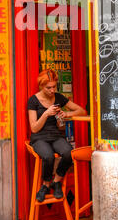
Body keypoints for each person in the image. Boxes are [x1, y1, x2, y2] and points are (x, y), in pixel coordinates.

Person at [27, 68, 87, 202]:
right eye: (49, 87)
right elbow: (34, 128)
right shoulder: (33, 101)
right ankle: (45, 185)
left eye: (54, 86)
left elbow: (81, 111)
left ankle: (57, 181)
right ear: (42, 86)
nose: (52, 90)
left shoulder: (58, 97)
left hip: (55, 135)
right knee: (48, 156)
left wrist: (67, 114)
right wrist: (46, 113)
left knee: (68, 153)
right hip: (39, 138)